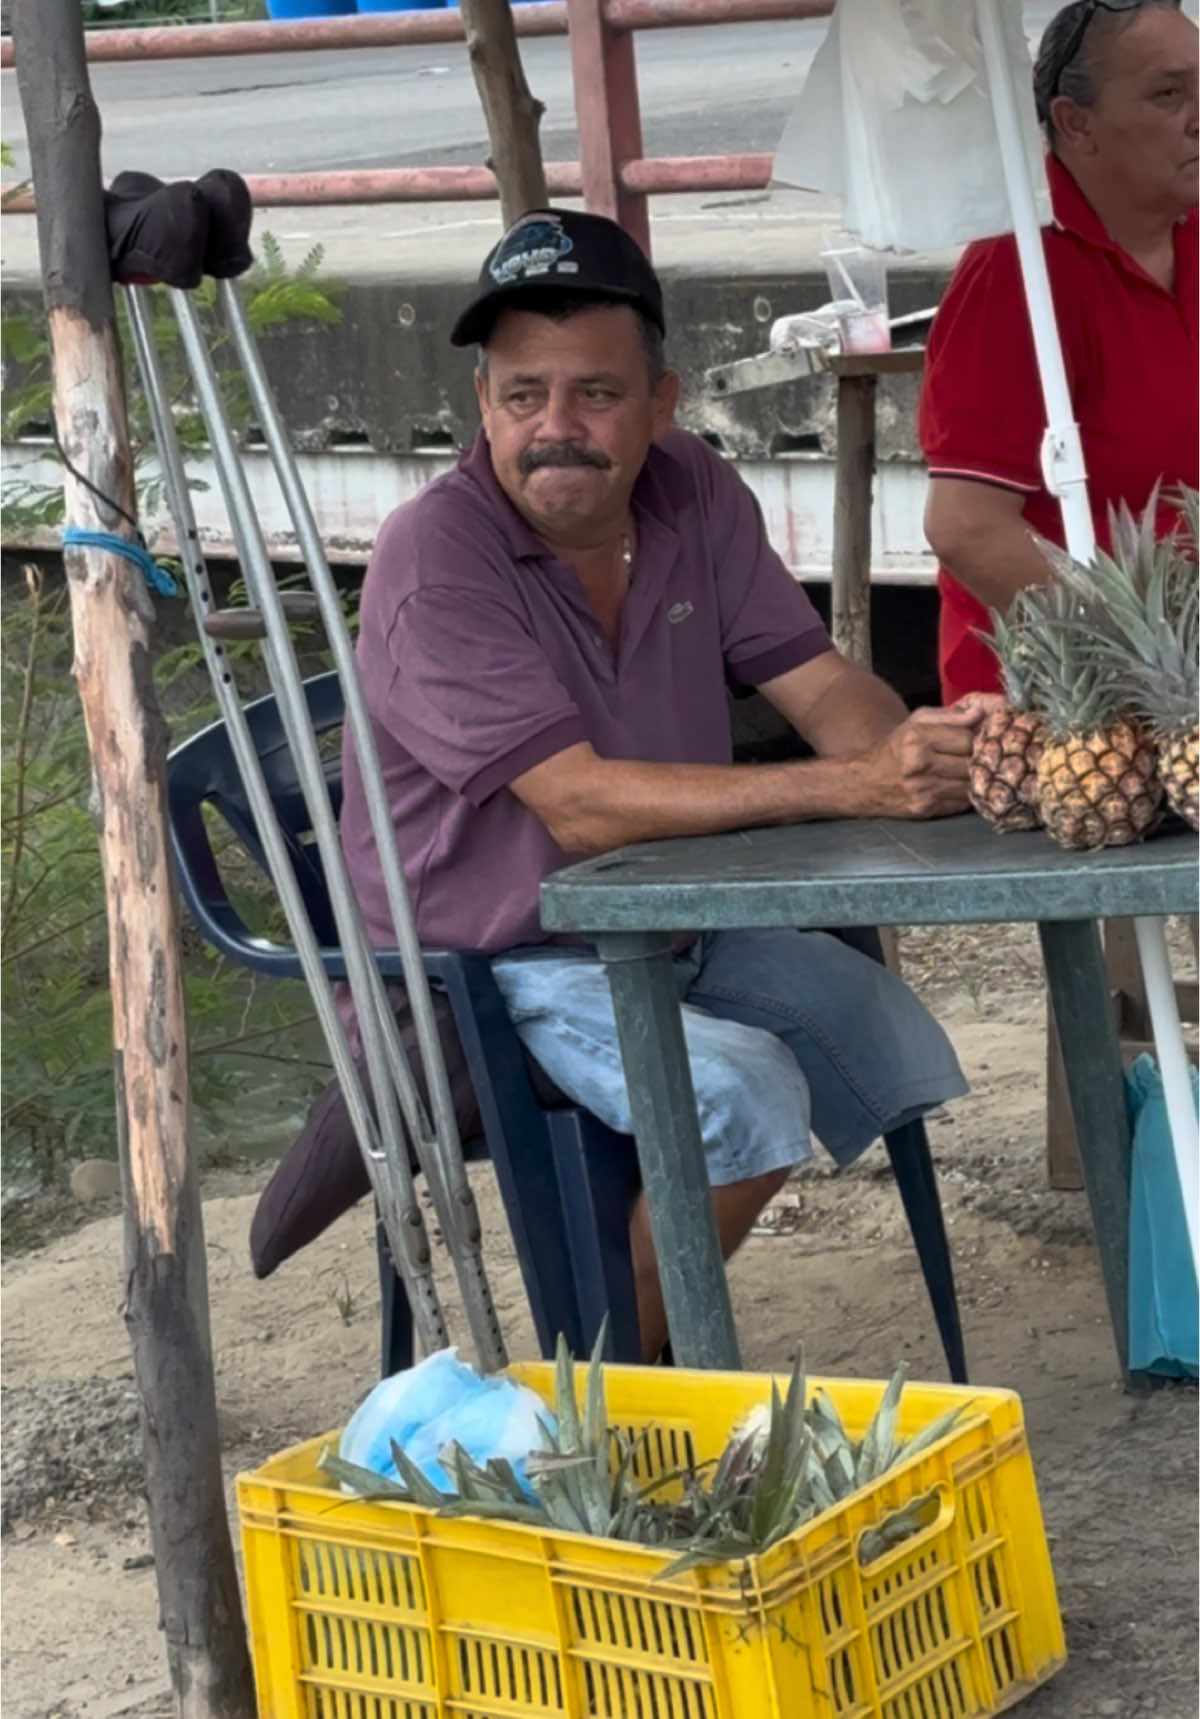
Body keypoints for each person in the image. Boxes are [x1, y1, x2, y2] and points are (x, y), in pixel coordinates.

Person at [335, 208, 987, 1361]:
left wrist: (912, 756)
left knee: (889, 1038)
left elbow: (824, 685)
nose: (555, 429)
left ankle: (638, 1313)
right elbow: (579, 808)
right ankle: (616, 1384)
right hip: (483, 965)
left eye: (594, 394)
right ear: (482, 406)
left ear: (662, 405)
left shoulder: (692, 489)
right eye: (523, 395)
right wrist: (851, 788)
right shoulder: (435, 552)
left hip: (669, 919)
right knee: (741, 1098)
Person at [920, 0, 1198, 704]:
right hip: (1069, 706)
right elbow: (966, 526)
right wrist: (1148, 660)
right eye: (1169, 95)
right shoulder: (1017, 272)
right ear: (1075, 123)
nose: (1199, 115)